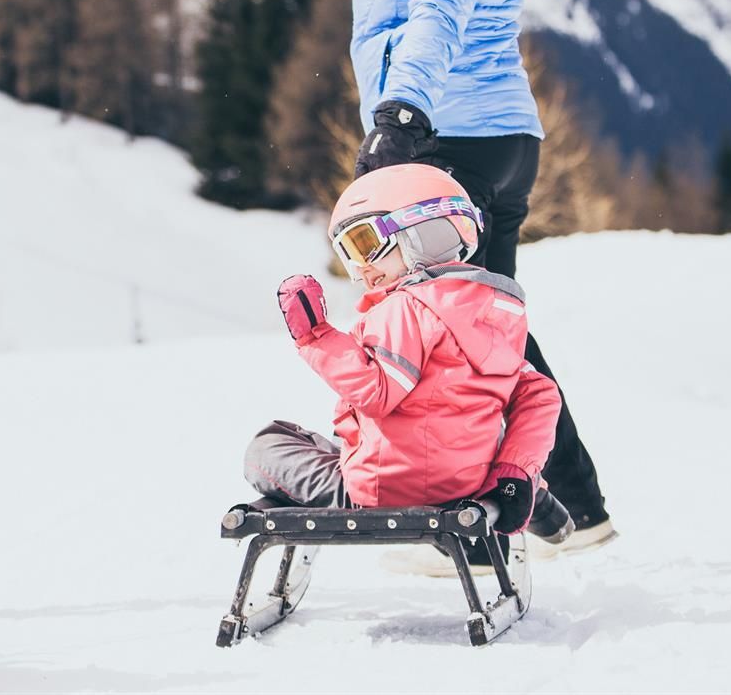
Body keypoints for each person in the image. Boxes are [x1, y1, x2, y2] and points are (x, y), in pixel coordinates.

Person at [347, 0, 617, 553]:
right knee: (487, 335)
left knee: (449, 339)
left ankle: (492, 518)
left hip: (453, 137)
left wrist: (401, 114)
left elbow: (438, 13)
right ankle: (568, 507)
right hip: (482, 132)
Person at [243, 164, 567, 547]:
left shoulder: (406, 307)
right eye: (349, 254)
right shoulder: (500, 312)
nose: (361, 268)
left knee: (267, 447)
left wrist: (315, 336)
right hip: (466, 482)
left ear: (423, 230)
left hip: (385, 491)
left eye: (364, 243)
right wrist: (515, 470)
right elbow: (539, 396)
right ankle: (532, 496)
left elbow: (376, 391)